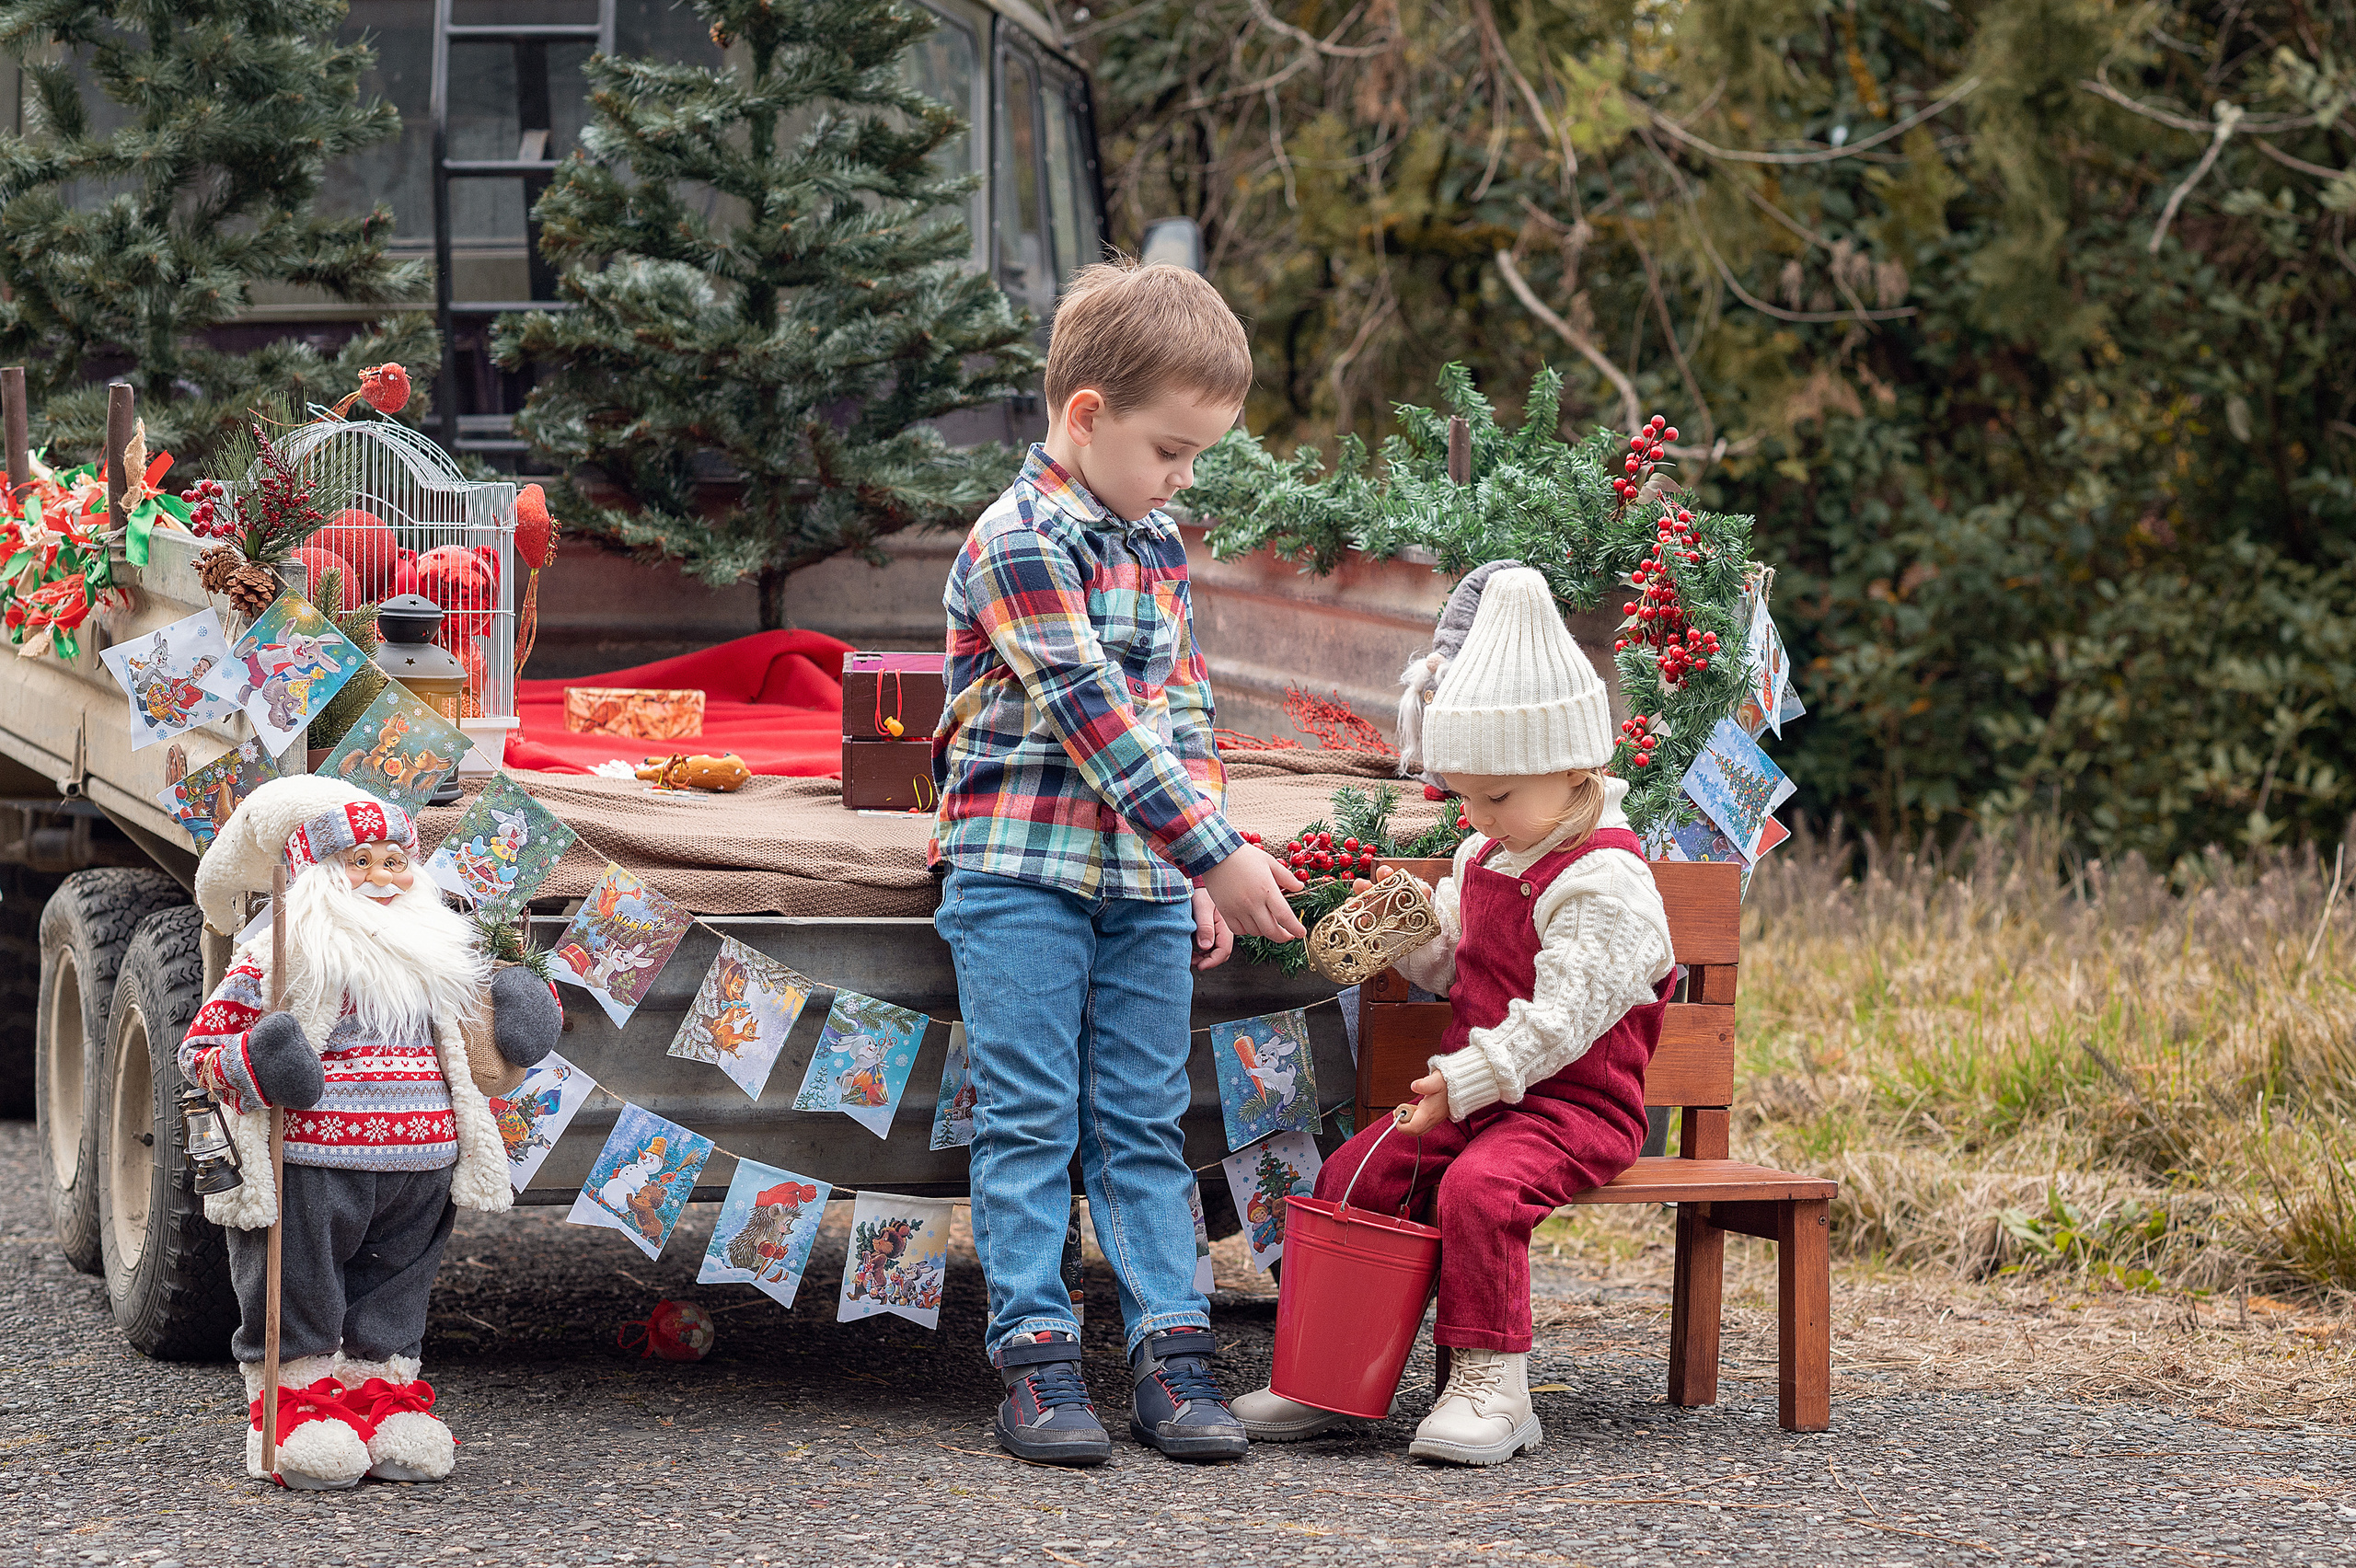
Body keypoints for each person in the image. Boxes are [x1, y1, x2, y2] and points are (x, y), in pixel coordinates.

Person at [932, 258, 1307, 1465]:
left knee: (1146, 1117)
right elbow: (1092, 709)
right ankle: (1036, 1356)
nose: (1182, 477)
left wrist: (1200, 863)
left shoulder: (1156, 541)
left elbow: (1182, 710)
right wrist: (1216, 850)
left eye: (1197, 457)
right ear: (1086, 416)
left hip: (1145, 881)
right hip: (1020, 872)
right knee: (1033, 1114)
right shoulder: (1016, 543)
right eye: (1171, 449)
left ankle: (1172, 1347)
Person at [1231, 566, 1678, 1465]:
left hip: (1572, 1108)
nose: (1473, 817)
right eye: (1463, 796)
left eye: (1494, 797)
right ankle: (1328, 1375)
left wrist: (1463, 1083)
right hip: (1476, 1092)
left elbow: (1559, 1022)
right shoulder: (1489, 851)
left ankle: (1494, 1385)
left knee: (1481, 1190)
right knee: (1355, 1174)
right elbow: (1465, 971)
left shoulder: (1605, 880)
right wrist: (1416, 934)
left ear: (1573, 768)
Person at [181, 776, 563, 1489]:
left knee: (393, 1295)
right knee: (301, 1288)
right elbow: (200, 1055)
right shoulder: (277, 959)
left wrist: (516, 1029)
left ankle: (382, 1402)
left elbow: (482, 1062)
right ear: (317, 873)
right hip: (310, 1163)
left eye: (395, 861)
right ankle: (293, 1411)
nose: (382, 878)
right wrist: (258, 1066)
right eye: (360, 862)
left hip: (421, 1169)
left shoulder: (439, 960)